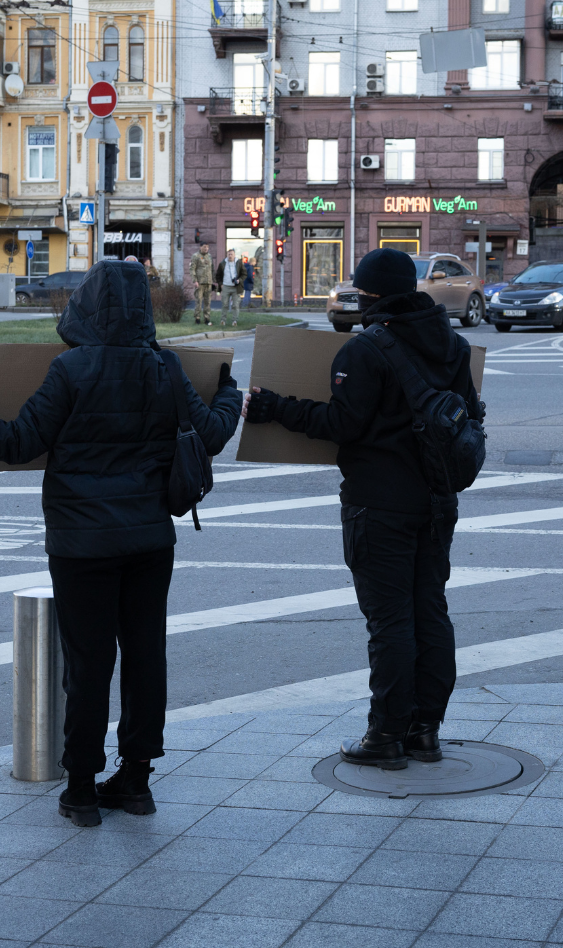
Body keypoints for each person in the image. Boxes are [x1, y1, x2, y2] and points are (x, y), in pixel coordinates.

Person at [0, 261, 240, 825]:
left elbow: (18, 443)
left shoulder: (70, 369)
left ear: (87, 306)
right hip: (149, 541)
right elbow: (210, 433)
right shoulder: (164, 367)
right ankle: (136, 782)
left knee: (88, 664)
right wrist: (230, 394)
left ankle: (82, 790)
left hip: (80, 543)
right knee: (146, 658)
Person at [244, 248, 480, 768]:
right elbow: (470, 414)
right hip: (438, 501)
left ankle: (386, 736)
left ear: (372, 295)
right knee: (430, 612)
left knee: (390, 621)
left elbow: (341, 426)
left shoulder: (365, 350)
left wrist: (275, 408)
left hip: (379, 504)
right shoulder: (454, 345)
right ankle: (425, 731)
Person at [218, 248, 243, 327]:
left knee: (235, 305)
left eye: (231, 254)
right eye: (229, 254)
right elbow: (218, 275)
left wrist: (239, 280)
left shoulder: (239, 263)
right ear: (227, 255)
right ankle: (223, 320)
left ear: (234, 255)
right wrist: (221, 284)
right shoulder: (223, 263)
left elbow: (244, 274)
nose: (230, 256)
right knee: (224, 304)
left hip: (236, 287)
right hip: (225, 286)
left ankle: (234, 321)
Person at [190, 243, 213, 325]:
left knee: (208, 302)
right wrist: (195, 280)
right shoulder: (195, 256)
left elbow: (212, 269)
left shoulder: (209, 256)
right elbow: (192, 269)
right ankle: (197, 318)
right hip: (200, 282)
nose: (206, 248)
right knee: (198, 301)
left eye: (207, 247)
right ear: (200, 247)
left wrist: (213, 281)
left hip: (208, 282)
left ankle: (207, 318)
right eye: (204, 247)